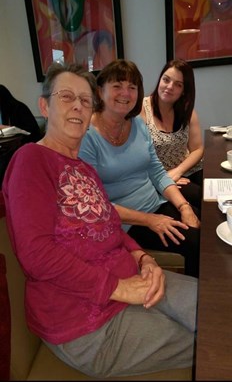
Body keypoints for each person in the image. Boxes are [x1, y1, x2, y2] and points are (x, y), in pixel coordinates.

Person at [2, 62, 198, 379]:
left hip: (131, 281)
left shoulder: (83, 169)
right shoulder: (30, 160)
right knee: (212, 342)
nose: (78, 106)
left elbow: (109, 224)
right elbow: (35, 255)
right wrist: (117, 287)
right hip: (84, 324)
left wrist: (143, 257)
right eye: (67, 97)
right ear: (44, 106)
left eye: (85, 99)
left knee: (217, 311)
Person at [79, 59, 200, 278]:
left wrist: (184, 207)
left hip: (155, 204)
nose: (125, 93)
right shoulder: (87, 138)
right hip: (127, 222)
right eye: (117, 86)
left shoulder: (136, 123)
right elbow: (95, 206)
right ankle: (204, 303)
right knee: (196, 242)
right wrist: (150, 221)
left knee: (203, 222)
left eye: (132, 87)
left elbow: (156, 171)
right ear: (99, 91)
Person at [141, 59, 203, 211]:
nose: (169, 87)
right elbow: (139, 159)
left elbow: (197, 149)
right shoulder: (141, 110)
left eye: (178, 84)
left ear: (184, 91)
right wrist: (168, 177)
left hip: (188, 170)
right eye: (166, 80)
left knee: (218, 196)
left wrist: (178, 171)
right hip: (162, 179)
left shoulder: (186, 110)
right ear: (160, 80)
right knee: (203, 202)